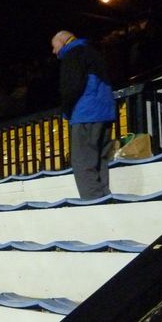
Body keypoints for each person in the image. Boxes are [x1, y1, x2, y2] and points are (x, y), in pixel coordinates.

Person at [51, 30, 116, 199]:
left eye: (54, 46)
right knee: (100, 160)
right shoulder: (95, 52)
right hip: (105, 113)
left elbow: (71, 87)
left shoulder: (73, 53)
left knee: (83, 162)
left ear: (63, 40)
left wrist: (66, 111)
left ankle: (93, 201)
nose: (54, 51)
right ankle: (104, 197)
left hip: (85, 114)